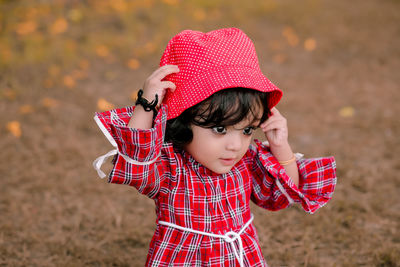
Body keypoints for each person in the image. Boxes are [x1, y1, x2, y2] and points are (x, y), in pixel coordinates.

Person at [93, 28, 337, 267]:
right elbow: (135, 165)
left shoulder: (247, 160)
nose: (235, 145)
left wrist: (280, 145)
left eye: (247, 130)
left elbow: (282, 194)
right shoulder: (170, 167)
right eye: (220, 130)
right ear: (183, 121)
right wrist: (147, 105)